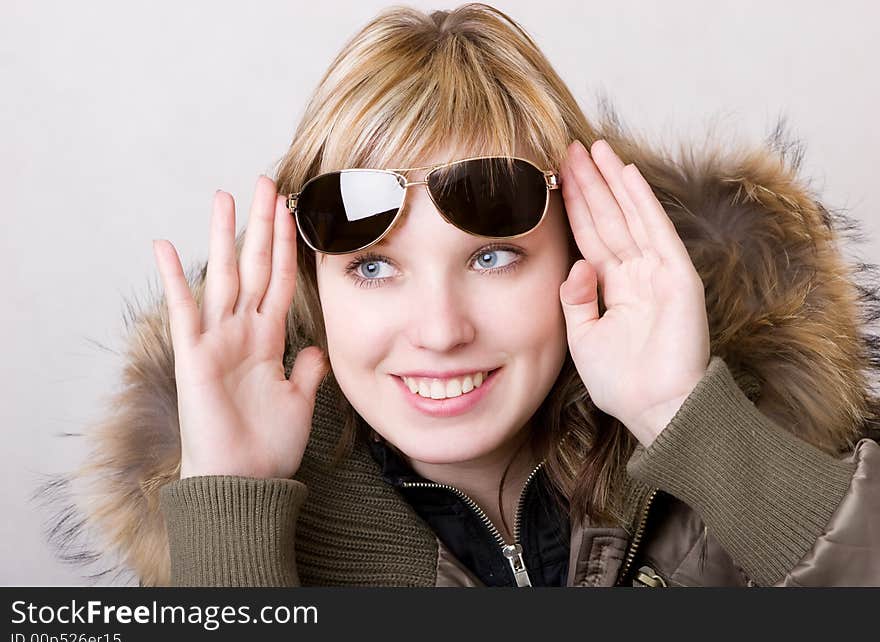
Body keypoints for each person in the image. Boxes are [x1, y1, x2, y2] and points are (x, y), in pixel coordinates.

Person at [38, 3, 879, 587]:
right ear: (315, 286)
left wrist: (685, 413)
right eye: (374, 266)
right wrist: (231, 507)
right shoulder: (260, 526)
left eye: (492, 258)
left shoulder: (741, 437)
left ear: (578, 251)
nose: (439, 331)